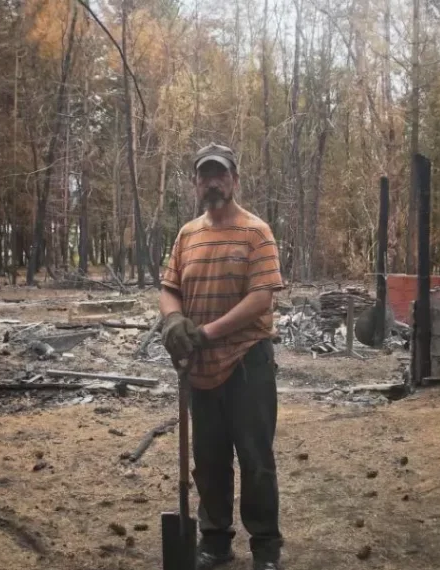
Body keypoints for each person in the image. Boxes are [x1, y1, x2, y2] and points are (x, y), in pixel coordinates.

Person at [159, 143, 285, 570]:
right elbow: (169, 288)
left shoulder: (256, 232)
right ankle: (215, 541)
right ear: (195, 182)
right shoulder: (187, 235)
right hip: (200, 368)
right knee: (209, 460)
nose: (213, 182)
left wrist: (205, 333)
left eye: (221, 174)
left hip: (248, 362)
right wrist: (173, 320)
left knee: (255, 459)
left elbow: (262, 298)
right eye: (205, 175)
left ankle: (265, 548)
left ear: (234, 180)